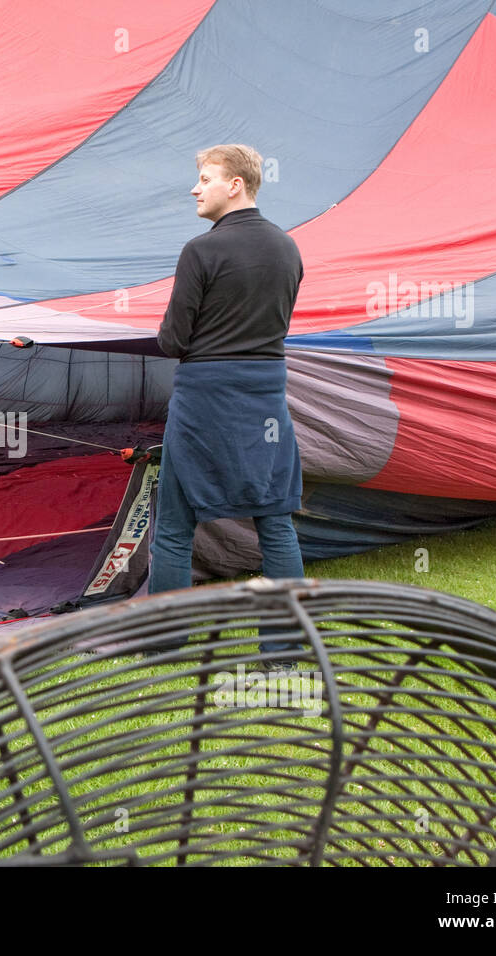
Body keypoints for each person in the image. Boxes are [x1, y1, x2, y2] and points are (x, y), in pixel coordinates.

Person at [150, 144, 305, 657]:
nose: (195, 188)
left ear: (235, 184)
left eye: (204, 178)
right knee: (275, 517)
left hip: (205, 398)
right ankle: (285, 645)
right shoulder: (288, 248)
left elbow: (173, 340)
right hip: (266, 395)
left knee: (174, 524)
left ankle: (167, 646)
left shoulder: (201, 250)